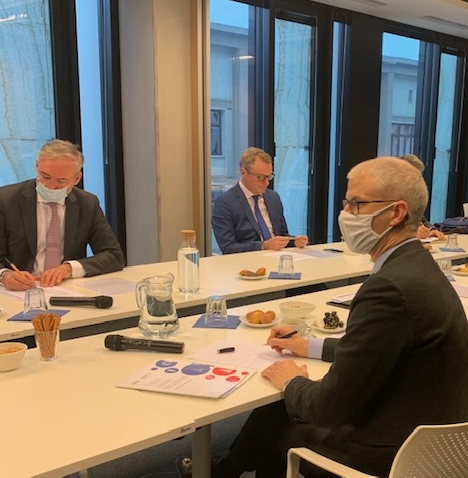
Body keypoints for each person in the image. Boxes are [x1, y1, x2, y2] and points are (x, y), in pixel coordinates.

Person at [177, 157, 468, 478]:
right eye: (346, 203)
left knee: (272, 421)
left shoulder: (389, 288)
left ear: (396, 213)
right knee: (273, 411)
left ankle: (218, 472)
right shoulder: (418, 266)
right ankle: (221, 472)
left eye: (357, 205)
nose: (346, 214)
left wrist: (292, 381)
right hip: (432, 444)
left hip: (386, 454)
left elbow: (328, 407)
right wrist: (308, 346)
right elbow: (375, 349)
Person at [0, 139, 125, 291]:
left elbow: (114, 255)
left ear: (76, 179)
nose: (51, 186)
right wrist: (4, 276)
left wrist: (69, 268)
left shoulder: (87, 203)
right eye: (45, 176)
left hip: (66, 288)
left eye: (61, 181)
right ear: (37, 166)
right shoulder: (6, 200)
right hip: (21, 290)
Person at [211, 147, 308, 254]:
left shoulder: (273, 197)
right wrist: (264, 245)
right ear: (243, 173)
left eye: (269, 177)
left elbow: (282, 235)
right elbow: (228, 247)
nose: (267, 183)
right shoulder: (224, 203)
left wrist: (294, 241)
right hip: (248, 260)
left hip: (277, 256)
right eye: (261, 178)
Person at [400, 154, 445, 240]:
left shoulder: (413, 195)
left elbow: (422, 219)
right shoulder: (387, 195)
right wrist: (410, 233)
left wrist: (431, 230)